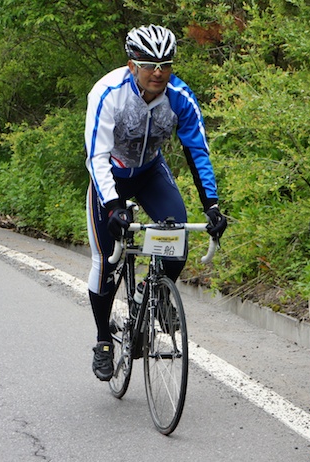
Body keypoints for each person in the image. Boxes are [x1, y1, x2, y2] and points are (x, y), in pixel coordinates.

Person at [84, 24, 227, 381]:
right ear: (132, 65)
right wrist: (113, 204)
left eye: (165, 64)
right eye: (149, 64)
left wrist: (211, 204)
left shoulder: (180, 96)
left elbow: (198, 151)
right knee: (106, 262)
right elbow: (96, 156)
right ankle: (104, 340)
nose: (158, 72)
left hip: (149, 173)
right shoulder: (108, 93)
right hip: (111, 174)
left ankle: (153, 296)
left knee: (176, 236)